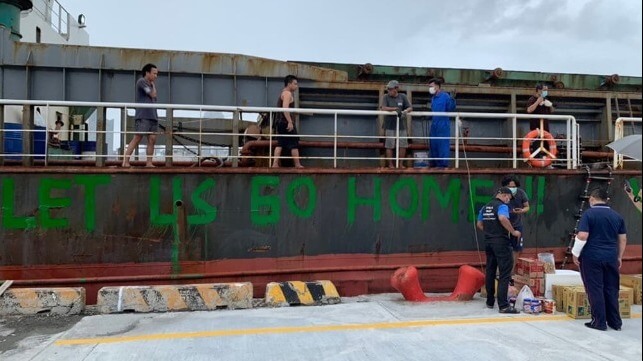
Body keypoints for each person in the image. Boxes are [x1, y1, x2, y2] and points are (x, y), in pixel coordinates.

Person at [572, 188, 627, 331]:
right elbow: (622, 239)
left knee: (595, 289)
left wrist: (575, 252)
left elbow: (583, 235)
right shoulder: (617, 216)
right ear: (606, 200)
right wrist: (619, 257)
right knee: (611, 289)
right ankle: (615, 322)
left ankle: (599, 322)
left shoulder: (588, 214)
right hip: (611, 257)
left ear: (591, 199)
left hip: (592, 257)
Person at [477, 187, 522, 314]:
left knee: (490, 271)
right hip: (501, 242)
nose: (508, 199)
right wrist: (513, 231)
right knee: (505, 273)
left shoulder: (485, 207)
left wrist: (490, 232)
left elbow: (479, 224)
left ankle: (490, 302)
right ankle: (503, 305)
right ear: (501, 194)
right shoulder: (502, 207)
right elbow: (502, 218)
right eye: (508, 196)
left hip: (488, 242)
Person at [122, 63, 159, 168]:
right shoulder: (142, 82)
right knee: (137, 137)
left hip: (152, 115)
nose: (156, 76)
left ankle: (149, 162)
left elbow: (153, 96)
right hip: (143, 115)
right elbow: (152, 94)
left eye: (156, 74)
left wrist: (152, 85)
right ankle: (125, 161)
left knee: (152, 139)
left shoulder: (151, 84)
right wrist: (153, 85)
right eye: (154, 73)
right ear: (147, 73)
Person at [501, 174, 530, 277]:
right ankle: (501, 272)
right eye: (510, 187)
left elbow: (527, 207)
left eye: (514, 187)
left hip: (517, 224)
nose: (512, 189)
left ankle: (511, 273)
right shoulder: (501, 194)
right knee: (503, 248)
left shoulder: (521, 193)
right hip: (503, 224)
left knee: (516, 249)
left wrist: (521, 210)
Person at [272, 75, 303, 168]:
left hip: (281, 122)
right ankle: (297, 164)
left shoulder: (283, 93)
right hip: (286, 122)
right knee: (294, 143)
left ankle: (275, 163)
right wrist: (290, 121)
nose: (296, 86)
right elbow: (285, 108)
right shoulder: (287, 93)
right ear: (289, 84)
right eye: (295, 84)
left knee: (280, 143)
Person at [380, 80, 412, 168]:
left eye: (391, 89)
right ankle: (390, 164)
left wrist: (405, 111)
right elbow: (383, 108)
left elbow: (410, 107)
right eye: (388, 89)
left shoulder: (403, 97)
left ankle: (400, 164)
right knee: (389, 145)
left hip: (401, 125)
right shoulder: (385, 97)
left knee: (403, 144)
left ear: (396, 88)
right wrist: (395, 109)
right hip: (389, 125)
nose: (389, 91)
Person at [427, 78, 456, 168]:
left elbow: (450, 109)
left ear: (437, 86)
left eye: (431, 86)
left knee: (442, 144)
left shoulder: (445, 96)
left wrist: (452, 99)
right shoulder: (433, 98)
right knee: (433, 144)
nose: (430, 88)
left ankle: (442, 165)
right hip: (434, 124)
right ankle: (433, 163)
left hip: (443, 125)